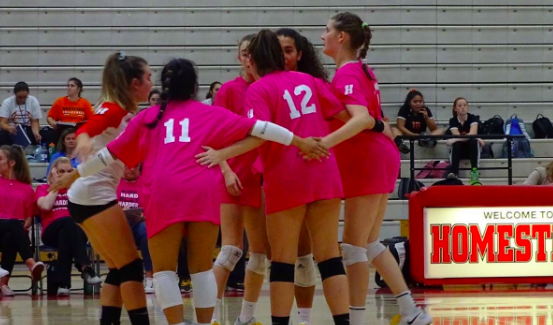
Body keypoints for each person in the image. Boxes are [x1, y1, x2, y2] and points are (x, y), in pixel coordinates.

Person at [51, 57, 327, 325]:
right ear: (194, 86)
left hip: (162, 191)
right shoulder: (210, 112)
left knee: (164, 271)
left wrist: (74, 174)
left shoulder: (148, 116)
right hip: (200, 189)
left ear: (165, 86)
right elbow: (263, 128)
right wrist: (300, 142)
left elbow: (106, 156)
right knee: (201, 267)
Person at [197, 29, 377, 325]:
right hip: (324, 170)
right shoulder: (311, 80)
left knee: (282, 262)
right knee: (329, 258)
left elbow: (261, 135)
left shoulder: (259, 89)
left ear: (253, 60)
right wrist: (323, 140)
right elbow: (351, 119)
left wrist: (222, 154)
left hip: (286, 176)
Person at [321, 12, 432, 325]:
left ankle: (357, 320)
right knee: (367, 244)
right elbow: (375, 121)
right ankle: (411, 311)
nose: (322, 36)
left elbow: (360, 119)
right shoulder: (361, 70)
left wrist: (324, 143)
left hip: (366, 160)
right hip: (379, 156)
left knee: (354, 248)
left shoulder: (346, 74)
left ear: (341, 37)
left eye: (326, 30)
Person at [56, 52, 152, 325]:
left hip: (84, 195)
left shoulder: (117, 107)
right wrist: (83, 139)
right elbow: (89, 126)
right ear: (134, 83)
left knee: (118, 266)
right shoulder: (114, 109)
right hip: (95, 195)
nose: (151, 83)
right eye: (148, 77)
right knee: (131, 266)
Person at [210, 33, 269, 325]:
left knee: (259, 254)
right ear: (238, 57)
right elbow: (213, 138)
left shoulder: (267, 88)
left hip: (261, 177)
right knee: (231, 249)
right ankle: (208, 317)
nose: (248, 59)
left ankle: (246, 317)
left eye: (252, 54)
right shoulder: (229, 91)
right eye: (244, 53)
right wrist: (226, 169)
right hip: (233, 173)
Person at [276, 27, 328, 325]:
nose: (284, 56)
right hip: (271, 173)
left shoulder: (315, 84)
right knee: (264, 254)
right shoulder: (259, 85)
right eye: (279, 50)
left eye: (288, 50)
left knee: (305, 255)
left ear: (299, 54)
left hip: (310, 171)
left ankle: (305, 319)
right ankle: (243, 315)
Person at [36, 157, 102, 296]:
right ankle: (84, 266)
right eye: (61, 171)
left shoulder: (78, 190)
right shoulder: (43, 189)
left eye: (69, 171)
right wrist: (57, 185)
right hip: (50, 232)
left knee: (65, 235)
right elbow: (46, 206)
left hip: (77, 233)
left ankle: (64, 284)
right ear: (53, 173)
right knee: (67, 221)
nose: (65, 175)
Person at [0, 145, 45, 296]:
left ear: (11, 162)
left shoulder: (26, 189)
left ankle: (3, 284)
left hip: (17, 233)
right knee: (12, 224)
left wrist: (17, 226)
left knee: (10, 237)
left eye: (0, 159)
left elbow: (28, 220)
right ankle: (30, 263)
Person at [117, 164, 155, 294]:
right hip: (119, 224)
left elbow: (153, 206)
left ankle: (150, 277)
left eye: (135, 166)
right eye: (128, 166)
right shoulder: (114, 182)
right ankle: (120, 276)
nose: (132, 169)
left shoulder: (146, 183)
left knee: (146, 230)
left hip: (139, 224)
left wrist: (145, 215)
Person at [446, 97, 484, 185]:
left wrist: (455, 139)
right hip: (459, 150)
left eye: (464, 105)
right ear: (455, 109)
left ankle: (474, 172)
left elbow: (472, 134)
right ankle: (454, 172)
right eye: (459, 106)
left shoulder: (473, 118)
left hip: (472, 149)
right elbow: (457, 134)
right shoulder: (453, 120)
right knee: (457, 143)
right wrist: (473, 137)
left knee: (473, 141)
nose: (463, 107)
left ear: (467, 107)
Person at [0, 82, 42, 146]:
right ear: (15, 95)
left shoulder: (33, 101)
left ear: (28, 94)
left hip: (27, 128)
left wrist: (36, 133)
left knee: (40, 136)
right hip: (12, 129)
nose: (22, 99)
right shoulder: (7, 102)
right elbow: (2, 123)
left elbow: (35, 122)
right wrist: (9, 128)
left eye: (25, 97)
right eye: (19, 97)